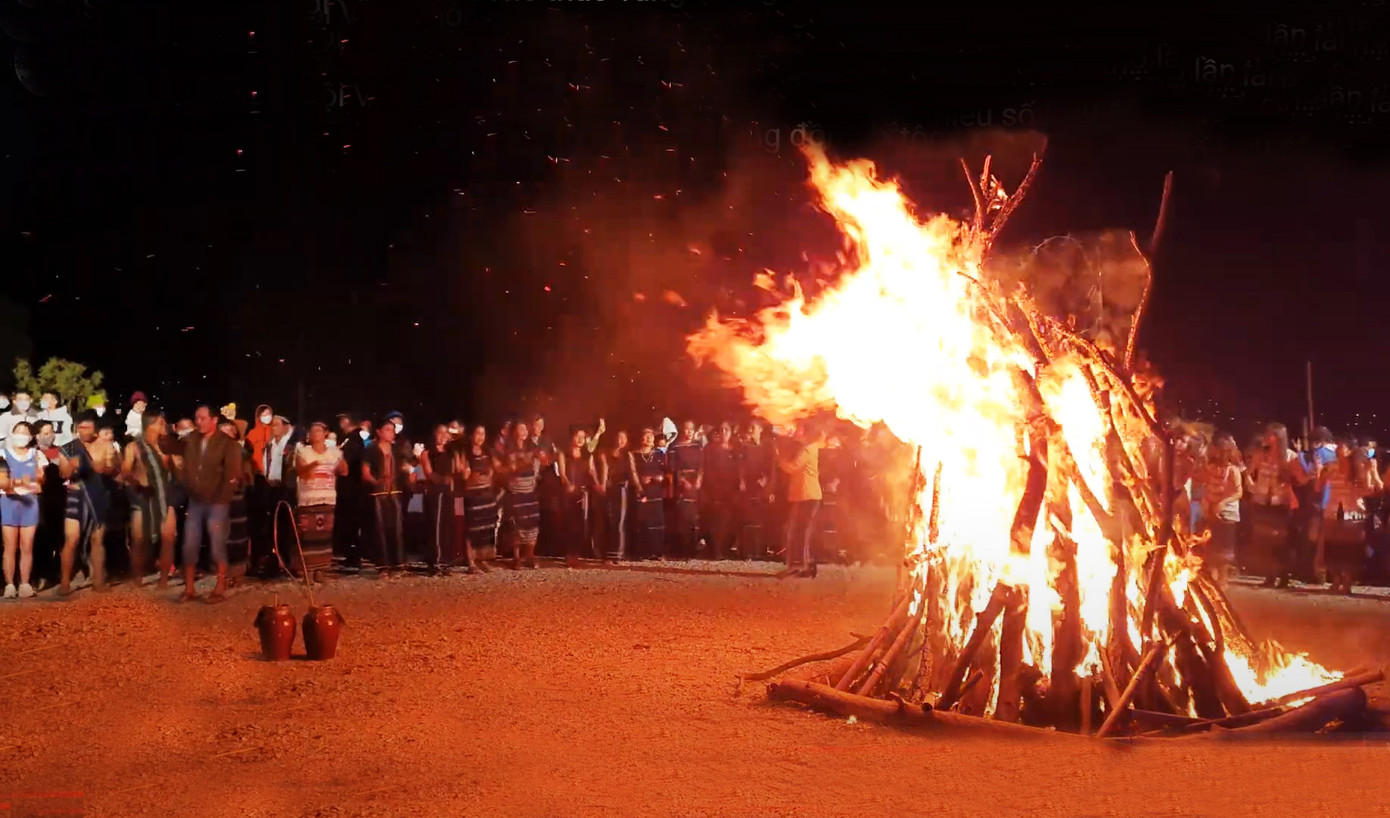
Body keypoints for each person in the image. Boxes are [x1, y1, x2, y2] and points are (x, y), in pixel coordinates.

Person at [176, 406, 244, 602]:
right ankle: (189, 589)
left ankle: (220, 587)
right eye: (196, 418)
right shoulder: (191, 441)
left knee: (216, 544)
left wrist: (222, 499)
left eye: (203, 418)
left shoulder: (228, 444)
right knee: (190, 543)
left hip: (216, 501)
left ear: (214, 420)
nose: (198, 422)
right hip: (196, 500)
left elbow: (232, 474)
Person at [58, 413, 119, 595]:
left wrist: (105, 468)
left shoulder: (105, 445)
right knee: (72, 539)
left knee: (97, 540)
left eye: (88, 427)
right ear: (76, 427)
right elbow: (63, 473)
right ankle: (65, 582)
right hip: (76, 496)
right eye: (81, 427)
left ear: (95, 428)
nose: (85, 431)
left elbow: (114, 469)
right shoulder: (68, 448)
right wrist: (71, 466)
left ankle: (98, 581)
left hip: (98, 495)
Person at [122, 411, 179, 589]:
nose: (165, 426)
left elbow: (177, 473)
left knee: (168, 538)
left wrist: (178, 464)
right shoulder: (134, 447)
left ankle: (163, 580)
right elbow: (125, 472)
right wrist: (135, 480)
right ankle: (137, 577)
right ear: (150, 425)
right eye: (161, 423)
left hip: (164, 497)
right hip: (142, 498)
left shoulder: (167, 446)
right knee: (139, 540)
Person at [293, 421, 348, 581]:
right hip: (309, 499)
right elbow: (301, 471)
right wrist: (315, 464)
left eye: (319, 430)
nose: (316, 433)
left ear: (325, 433)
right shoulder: (303, 451)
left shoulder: (334, 452)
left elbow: (343, 471)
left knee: (324, 535)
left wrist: (341, 460)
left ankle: (320, 570)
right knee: (307, 535)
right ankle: (307, 572)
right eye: (313, 430)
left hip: (327, 497)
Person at [1, 422, 50, 598]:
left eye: (25, 432)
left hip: (30, 504)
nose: (21, 435)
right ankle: (9, 585)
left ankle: (25, 584)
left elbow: (40, 481)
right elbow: (3, 482)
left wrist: (20, 481)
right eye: (18, 432)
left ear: (30, 437)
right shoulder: (3, 455)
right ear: (12, 434)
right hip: (9, 503)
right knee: (10, 547)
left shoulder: (37, 455)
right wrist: (25, 482)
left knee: (27, 545)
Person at [778, 424, 826, 577]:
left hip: (807, 496)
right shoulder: (809, 448)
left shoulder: (807, 449)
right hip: (805, 495)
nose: (795, 432)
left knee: (801, 532)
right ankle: (804, 565)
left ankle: (803, 566)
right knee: (800, 531)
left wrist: (778, 458)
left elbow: (791, 467)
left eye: (798, 429)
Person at [362, 418, 408, 573]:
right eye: (388, 429)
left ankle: (398, 564)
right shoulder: (371, 449)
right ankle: (382, 566)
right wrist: (377, 481)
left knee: (396, 528)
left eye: (393, 430)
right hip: (379, 493)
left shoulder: (397, 450)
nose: (391, 433)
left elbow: (404, 468)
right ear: (379, 432)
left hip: (394, 492)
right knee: (379, 529)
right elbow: (365, 472)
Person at [1200, 433, 1243, 587]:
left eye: (1226, 451)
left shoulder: (1233, 470)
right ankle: (1212, 580)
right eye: (1220, 451)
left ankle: (1222, 580)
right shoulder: (1210, 467)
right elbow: (1205, 485)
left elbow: (1238, 492)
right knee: (1212, 547)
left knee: (1224, 551)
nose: (1222, 454)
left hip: (1228, 513)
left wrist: (1223, 503)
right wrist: (1205, 502)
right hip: (1211, 510)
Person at [498, 421, 541, 569]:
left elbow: (538, 464)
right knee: (517, 525)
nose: (524, 431)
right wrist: (521, 463)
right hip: (516, 491)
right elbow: (511, 469)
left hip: (530, 490)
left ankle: (530, 556)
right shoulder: (509, 449)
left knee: (532, 524)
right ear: (515, 431)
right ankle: (516, 558)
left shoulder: (532, 447)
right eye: (520, 428)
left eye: (525, 428)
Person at [418, 424, 460, 574]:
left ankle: (446, 561)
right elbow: (429, 473)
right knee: (435, 526)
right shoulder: (427, 453)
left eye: (446, 433)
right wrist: (443, 480)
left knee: (447, 525)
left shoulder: (451, 453)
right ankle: (435, 561)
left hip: (448, 493)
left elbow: (458, 469)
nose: (443, 435)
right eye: (440, 432)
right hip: (435, 493)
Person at [458, 424, 499, 572]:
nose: (480, 437)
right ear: (471, 435)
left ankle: (482, 560)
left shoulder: (487, 451)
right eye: (477, 433)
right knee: (472, 528)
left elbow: (494, 469)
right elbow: (463, 474)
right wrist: (470, 476)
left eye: (483, 433)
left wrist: (489, 476)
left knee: (485, 528)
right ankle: (471, 562)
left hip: (486, 494)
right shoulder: (466, 453)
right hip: (472, 494)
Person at [557, 425, 598, 568]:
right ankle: (569, 555)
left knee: (581, 524)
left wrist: (597, 485)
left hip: (583, 492)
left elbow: (592, 472)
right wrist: (568, 485)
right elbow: (562, 474)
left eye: (583, 437)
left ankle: (577, 555)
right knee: (569, 523)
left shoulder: (587, 455)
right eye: (578, 436)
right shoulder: (563, 454)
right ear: (572, 437)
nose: (581, 440)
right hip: (568, 493)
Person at [630, 428, 667, 560]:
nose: (648, 438)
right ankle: (641, 552)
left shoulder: (659, 454)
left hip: (655, 491)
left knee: (656, 521)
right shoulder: (634, 454)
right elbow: (632, 471)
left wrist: (659, 478)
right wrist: (640, 482)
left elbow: (665, 472)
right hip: (641, 491)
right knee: (641, 520)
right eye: (645, 436)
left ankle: (656, 552)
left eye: (650, 436)